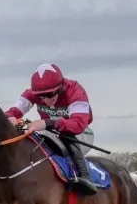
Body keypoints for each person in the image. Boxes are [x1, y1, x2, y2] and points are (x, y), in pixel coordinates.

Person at [5, 63, 98, 195]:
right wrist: (10, 118)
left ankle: (85, 177)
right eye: (42, 96)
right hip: (52, 132)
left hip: (80, 134)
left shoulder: (75, 90)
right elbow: (12, 112)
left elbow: (79, 124)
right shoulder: (31, 93)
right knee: (30, 136)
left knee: (66, 135)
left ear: (60, 88)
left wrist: (47, 123)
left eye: (50, 94)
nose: (47, 100)